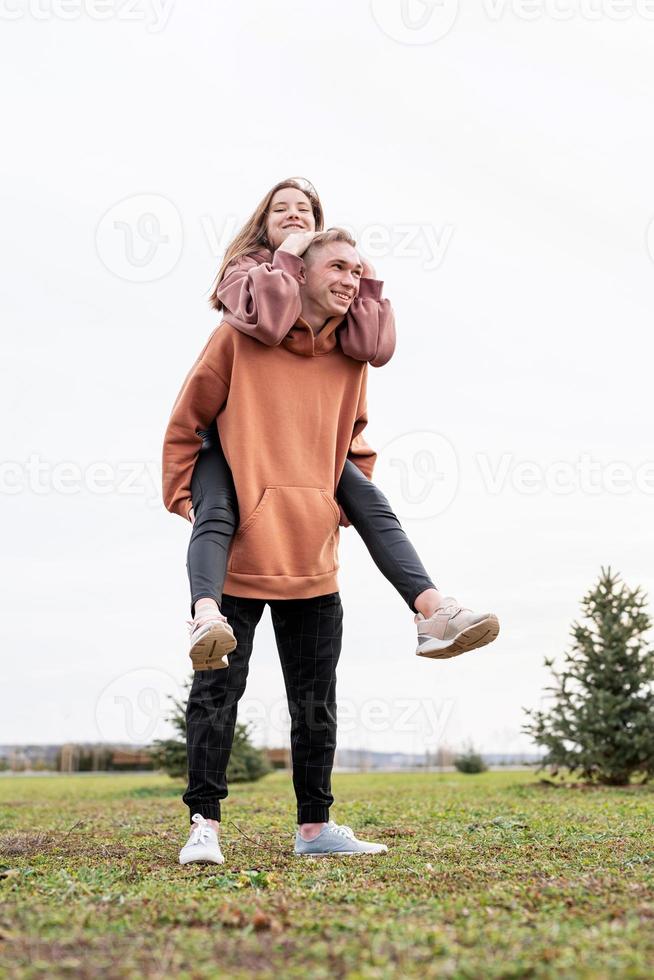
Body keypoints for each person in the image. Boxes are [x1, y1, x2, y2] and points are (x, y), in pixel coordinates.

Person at [164, 177, 500, 673]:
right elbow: (270, 320)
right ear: (263, 222)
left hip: (308, 443)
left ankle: (434, 611)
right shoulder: (245, 271)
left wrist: (353, 269)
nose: (295, 215)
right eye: (282, 210)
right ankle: (207, 615)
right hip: (238, 438)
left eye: (305, 210)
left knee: (369, 499)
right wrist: (295, 255)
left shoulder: (331, 293)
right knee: (215, 508)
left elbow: (373, 348)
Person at [163, 230, 393, 860]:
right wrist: (193, 502)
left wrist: (331, 506)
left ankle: (315, 829)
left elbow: (356, 442)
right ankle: (203, 827)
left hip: (311, 556)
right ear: (299, 269)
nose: (349, 277)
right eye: (337, 265)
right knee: (217, 692)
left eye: (358, 269)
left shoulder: (349, 358)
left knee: (316, 698)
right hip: (239, 555)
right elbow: (188, 422)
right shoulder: (237, 337)